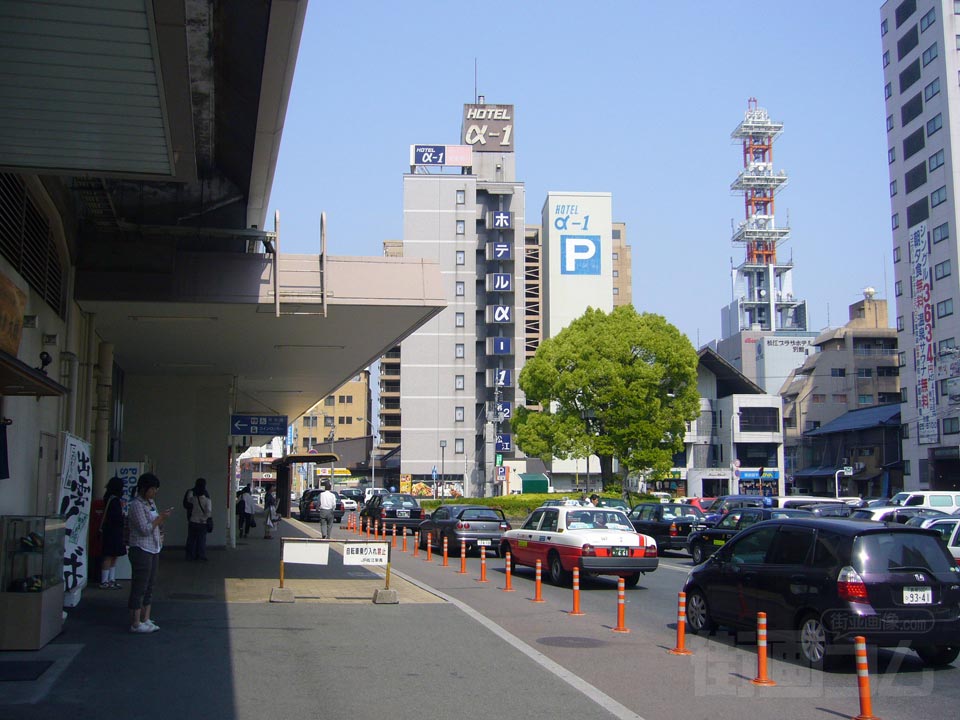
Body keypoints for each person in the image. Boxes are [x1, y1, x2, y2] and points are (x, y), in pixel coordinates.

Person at [127, 472, 172, 633]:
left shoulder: (150, 503)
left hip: (153, 548)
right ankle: (136, 622)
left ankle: (146, 618)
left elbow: (154, 525)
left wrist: (160, 521)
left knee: (150, 585)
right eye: (152, 489)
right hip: (140, 548)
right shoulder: (136, 505)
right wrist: (159, 519)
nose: (154, 492)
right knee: (140, 585)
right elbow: (144, 529)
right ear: (144, 488)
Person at [98, 476, 127, 589]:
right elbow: (115, 517)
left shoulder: (109, 498)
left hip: (110, 531)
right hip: (113, 531)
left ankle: (109, 579)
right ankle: (107, 580)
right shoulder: (114, 500)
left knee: (111, 555)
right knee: (111, 556)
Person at [184, 477, 212, 561]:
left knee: (191, 539)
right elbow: (209, 511)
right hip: (202, 522)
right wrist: (204, 519)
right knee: (201, 540)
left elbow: (187, 503)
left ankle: (189, 555)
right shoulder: (207, 499)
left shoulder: (193, 497)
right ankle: (200, 555)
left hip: (192, 520)